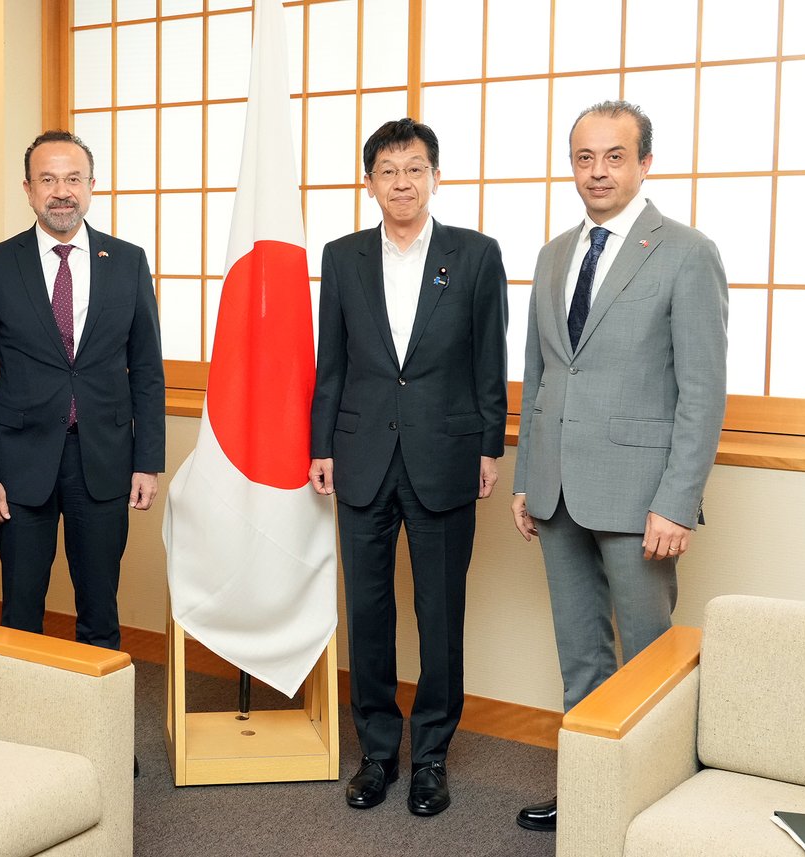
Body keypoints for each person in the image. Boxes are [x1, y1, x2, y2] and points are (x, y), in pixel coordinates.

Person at [511, 100, 728, 832]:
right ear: (571, 165)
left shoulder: (687, 252)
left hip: (642, 500)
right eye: (584, 157)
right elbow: (540, 378)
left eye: (613, 156)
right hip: (558, 492)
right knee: (581, 657)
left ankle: (658, 809)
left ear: (644, 163)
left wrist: (677, 498)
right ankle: (591, 796)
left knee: (651, 661)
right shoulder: (552, 254)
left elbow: (701, 391)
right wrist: (525, 479)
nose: (597, 171)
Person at [309, 118, 509, 816]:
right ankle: (376, 753)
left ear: (435, 175)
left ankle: (430, 758)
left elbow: (490, 361)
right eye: (388, 170)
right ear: (369, 182)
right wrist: (320, 446)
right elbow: (328, 361)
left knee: (439, 613)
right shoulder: (342, 256)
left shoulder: (476, 254)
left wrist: (490, 446)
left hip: (446, 453)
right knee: (367, 613)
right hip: (361, 454)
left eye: (415, 168)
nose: (402, 181)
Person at [0, 130, 165, 651]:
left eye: (73, 179)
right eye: (47, 179)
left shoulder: (127, 261)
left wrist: (148, 461)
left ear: (92, 186)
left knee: (100, 607)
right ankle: (23, 726)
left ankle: (97, 727)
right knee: (21, 608)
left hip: (103, 459)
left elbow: (146, 370)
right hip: (18, 463)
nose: (61, 191)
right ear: (28, 190)